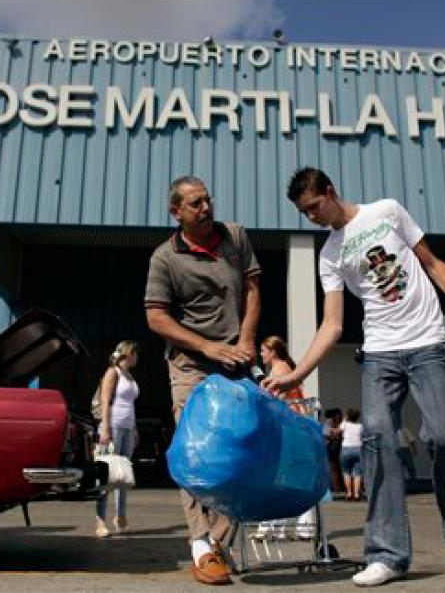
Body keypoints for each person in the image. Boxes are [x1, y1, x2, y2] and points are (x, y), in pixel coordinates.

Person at [263, 167, 445, 586]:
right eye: (302, 212)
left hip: (428, 343)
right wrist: (296, 374)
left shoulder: (387, 211)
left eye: (313, 206)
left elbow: (433, 264)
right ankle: (386, 554)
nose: (310, 216)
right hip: (380, 353)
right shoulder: (329, 255)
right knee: (377, 443)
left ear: (330, 192)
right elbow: (331, 326)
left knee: (444, 438)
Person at [145, 175, 261, 586]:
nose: (206, 208)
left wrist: (246, 339)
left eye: (208, 200)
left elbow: (251, 288)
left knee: (240, 452)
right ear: (176, 211)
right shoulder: (165, 258)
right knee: (195, 454)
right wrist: (206, 347)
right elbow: (156, 317)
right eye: (195, 204)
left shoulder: (235, 236)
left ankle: (216, 541)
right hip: (190, 365)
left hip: (237, 362)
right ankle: (201, 545)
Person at [255, 336, 314, 541]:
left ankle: (272, 527)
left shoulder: (279, 370)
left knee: (277, 476)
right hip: (296, 426)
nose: (260, 354)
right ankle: (297, 527)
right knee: (291, 477)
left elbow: (273, 401)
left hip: (286, 427)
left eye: (263, 350)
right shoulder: (287, 367)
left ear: (273, 351)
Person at [94, 341, 140, 538]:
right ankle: (100, 521)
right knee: (106, 476)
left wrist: (135, 428)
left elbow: (130, 404)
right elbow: (105, 400)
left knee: (123, 475)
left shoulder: (130, 376)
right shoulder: (113, 372)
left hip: (128, 428)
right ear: (128, 353)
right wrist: (105, 428)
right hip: (112, 426)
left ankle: (121, 518)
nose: (138, 357)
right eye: (136, 353)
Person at [340, 408, 365, 501]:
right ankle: (357, 494)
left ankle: (349, 492)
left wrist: (344, 419)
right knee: (357, 473)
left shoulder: (345, 424)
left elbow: (340, 429)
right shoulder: (360, 426)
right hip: (358, 448)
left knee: (346, 471)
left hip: (346, 448)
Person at [324, 408, 346, 496]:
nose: (340, 416)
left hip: (335, 449)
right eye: (339, 414)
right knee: (334, 469)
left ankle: (336, 487)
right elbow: (326, 433)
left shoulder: (338, 423)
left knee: (335, 468)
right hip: (331, 449)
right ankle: (335, 488)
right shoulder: (329, 422)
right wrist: (336, 434)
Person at [397, 426, 419, 491]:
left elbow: (412, 440)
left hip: (404, 449)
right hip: (398, 450)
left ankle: (413, 486)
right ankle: (402, 487)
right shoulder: (390, 431)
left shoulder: (403, 429)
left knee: (410, 469)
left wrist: (415, 449)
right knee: (400, 470)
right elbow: (412, 440)